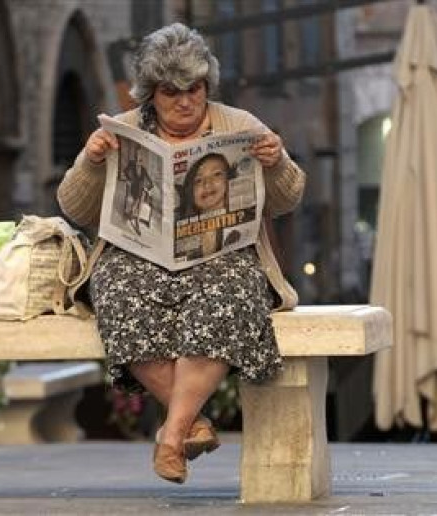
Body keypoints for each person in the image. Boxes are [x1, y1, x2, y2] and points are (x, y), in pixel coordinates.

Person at [57, 23, 305, 484]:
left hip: (220, 255)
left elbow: (288, 199)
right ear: (150, 93)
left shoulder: (242, 125)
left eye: (194, 89)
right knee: (117, 293)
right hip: (138, 257)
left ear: (207, 85)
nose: (186, 102)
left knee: (227, 292)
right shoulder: (122, 130)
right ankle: (191, 423)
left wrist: (278, 162)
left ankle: (170, 439)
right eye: (172, 92)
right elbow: (74, 207)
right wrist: (91, 163)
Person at [177, 152, 235, 257]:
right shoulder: (180, 227)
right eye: (198, 180)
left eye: (217, 174)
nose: (207, 184)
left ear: (230, 179)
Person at [122, 146, 153, 235]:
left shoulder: (143, 169)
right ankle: (136, 220)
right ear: (136, 155)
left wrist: (149, 188)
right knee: (141, 194)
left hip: (141, 190)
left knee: (142, 193)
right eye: (138, 155)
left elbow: (150, 181)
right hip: (133, 187)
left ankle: (136, 219)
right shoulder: (131, 164)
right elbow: (125, 171)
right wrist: (129, 180)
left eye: (140, 156)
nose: (139, 157)